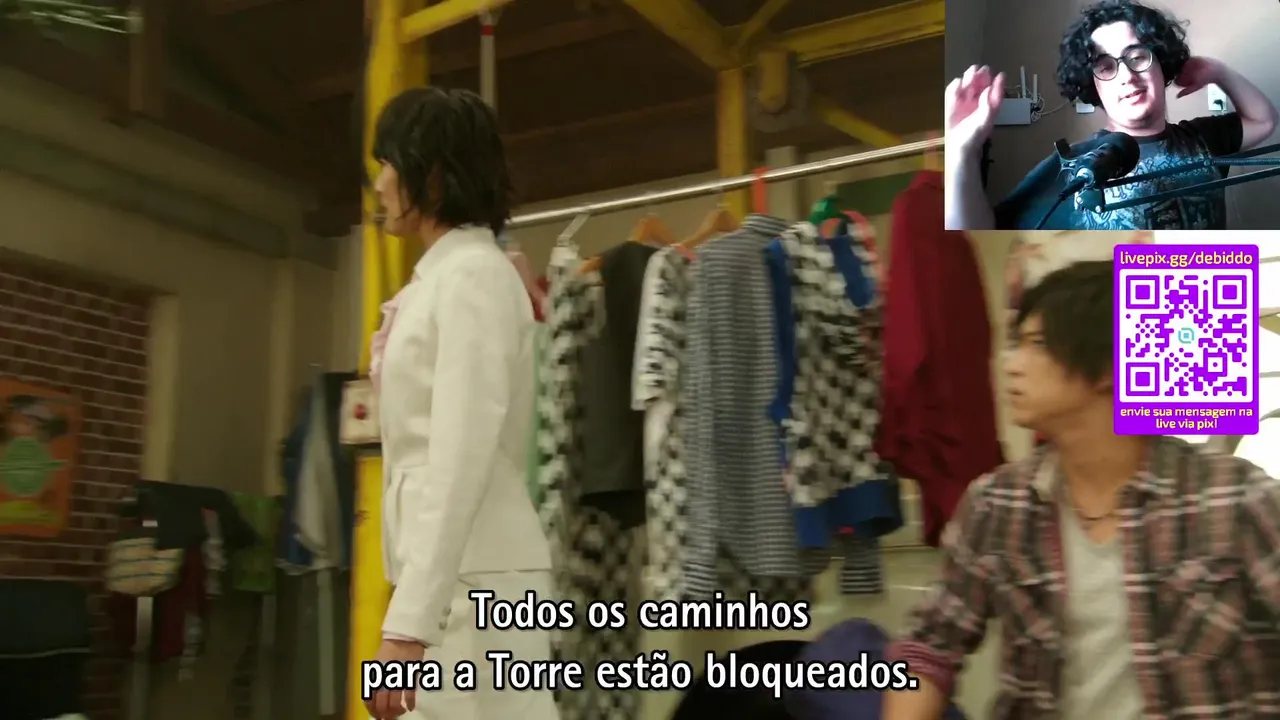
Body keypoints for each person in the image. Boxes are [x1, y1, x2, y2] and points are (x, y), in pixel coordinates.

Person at [883, 260, 1280, 719]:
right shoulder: (997, 504)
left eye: (1037, 344)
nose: (1011, 365)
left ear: (1109, 367)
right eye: (1015, 344)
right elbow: (929, 644)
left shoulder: (1233, 499)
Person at [361, 87, 558, 720]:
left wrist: (409, 624)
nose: (380, 183)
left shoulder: (473, 276)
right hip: (458, 576)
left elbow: (459, 454)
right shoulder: (444, 278)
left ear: (435, 174)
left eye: (390, 164)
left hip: (479, 580)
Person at [946, 0, 1278, 231]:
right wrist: (961, 152)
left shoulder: (1202, 140)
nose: (1127, 77)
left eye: (1138, 57)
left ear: (1162, 64)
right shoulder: (1074, 167)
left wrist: (1219, 72)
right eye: (1106, 66)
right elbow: (976, 235)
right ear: (1091, 83)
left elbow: (1264, 121)